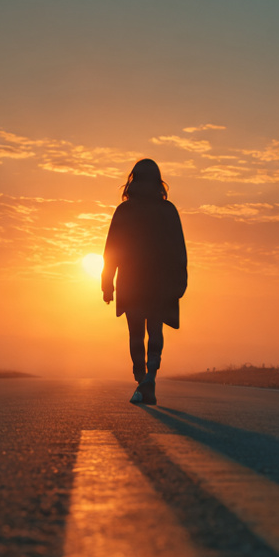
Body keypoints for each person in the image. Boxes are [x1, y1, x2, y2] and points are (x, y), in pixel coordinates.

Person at [100, 158, 187, 406]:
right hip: (160, 283)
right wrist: (180, 282)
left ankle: (141, 378)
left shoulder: (124, 211)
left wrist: (107, 285)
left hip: (132, 282)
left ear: (133, 180)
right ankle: (150, 376)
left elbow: (111, 252)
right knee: (155, 330)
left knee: (136, 333)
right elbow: (179, 250)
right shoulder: (168, 210)